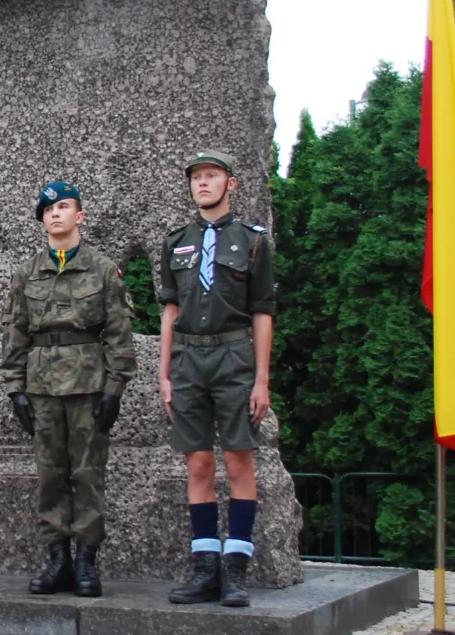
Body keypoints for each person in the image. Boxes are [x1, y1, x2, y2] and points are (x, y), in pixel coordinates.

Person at [0, 182, 135, 597]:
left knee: (88, 474)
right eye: (48, 209)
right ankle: (57, 559)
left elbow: (118, 332)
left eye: (63, 206)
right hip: (42, 386)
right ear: (42, 220)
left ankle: (87, 563)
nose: (55, 214)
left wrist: (114, 388)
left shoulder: (102, 268)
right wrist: (15, 388)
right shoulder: (28, 271)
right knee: (50, 475)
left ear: (81, 216)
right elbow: (15, 331)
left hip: (88, 384)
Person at [158, 151, 275, 608]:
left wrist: (261, 377)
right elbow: (170, 310)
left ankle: (235, 571)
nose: (202, 184)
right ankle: (204, 568)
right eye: (196, 178)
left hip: (234, 358)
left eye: (211, 176)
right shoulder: (176, 241)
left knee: (240, 464)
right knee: (199, 465)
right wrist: (164, 372)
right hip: (188, 359)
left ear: (232, 183)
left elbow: (263, 311)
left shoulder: (252, 242)